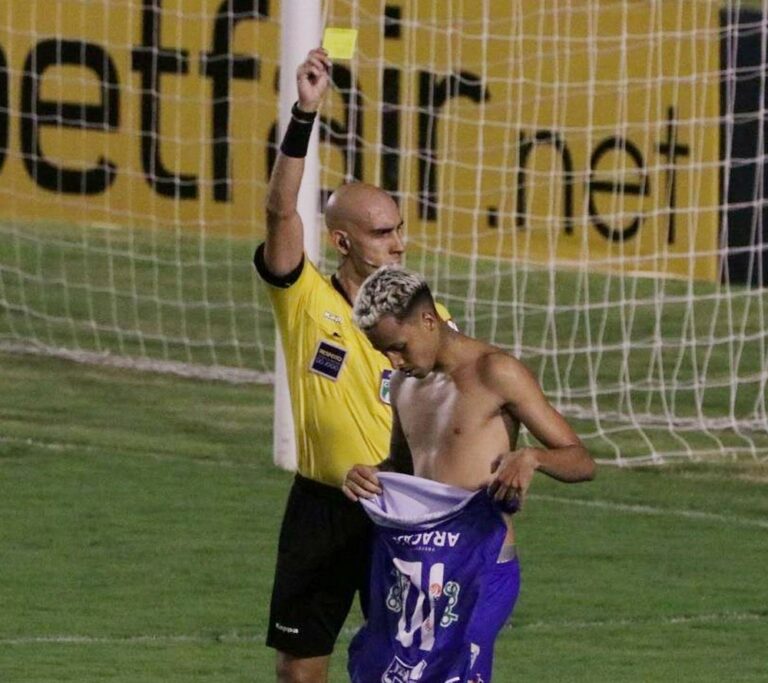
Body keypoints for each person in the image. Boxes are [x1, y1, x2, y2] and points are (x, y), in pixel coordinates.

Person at [254, 49, 451, 683]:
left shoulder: (429, 315)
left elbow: (457, 406)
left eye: (399, 229)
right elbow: (281, 212)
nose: (398, 243)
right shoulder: (306, 299)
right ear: (342, 241)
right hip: (323, 506)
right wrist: (305, 112)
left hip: (404, 509)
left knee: (407, 665)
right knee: (300, 665)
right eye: (381, 233)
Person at [342, 266, 596, 682]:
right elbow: (402, 468)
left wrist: (531, 457)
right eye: (384, 351)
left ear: (428, 320)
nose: (393, 361)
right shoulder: (406, 384)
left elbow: (582, 460)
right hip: (416, 566)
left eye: (399, 347)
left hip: (481, 564)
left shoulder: (496, 372)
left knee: (458, 673)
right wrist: (367, 477)